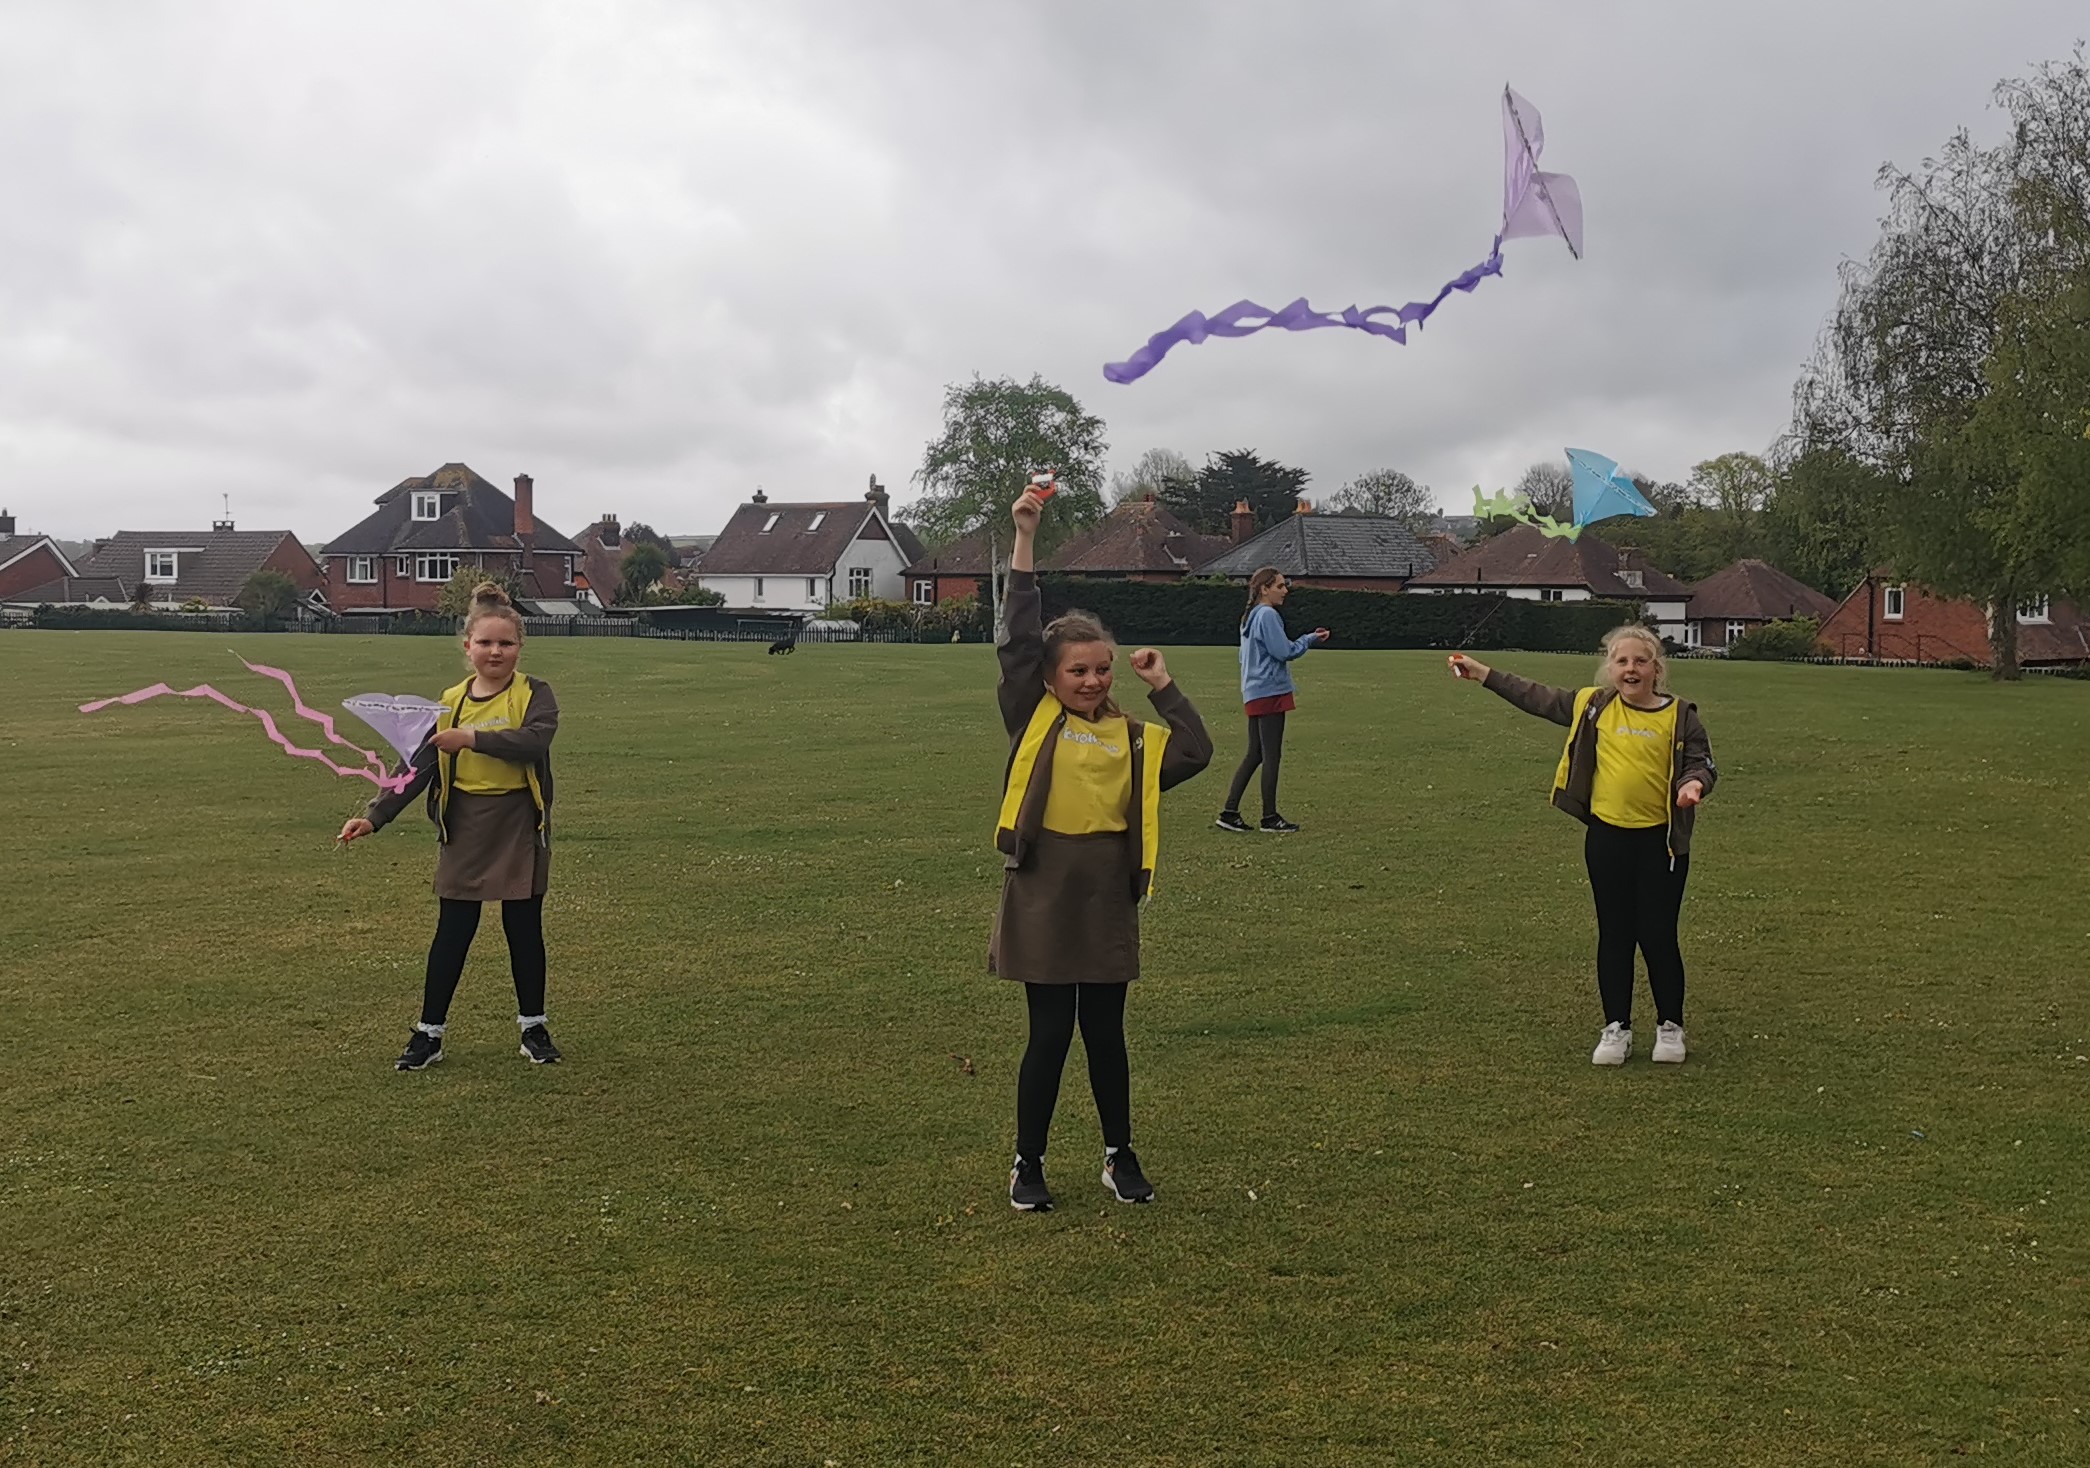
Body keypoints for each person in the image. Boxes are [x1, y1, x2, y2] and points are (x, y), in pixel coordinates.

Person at [993, 483, 1213, 1210]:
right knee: (1049, 1035)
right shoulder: (1033, 717)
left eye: (1101, 669)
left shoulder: (1131, 737)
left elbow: (1197, 751)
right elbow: (1017, 638)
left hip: (1105, 897)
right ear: (1050, 677)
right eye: (1077, 671)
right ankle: (1028, 1163)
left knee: (1106, 1035)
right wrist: (1025, 537)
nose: (1091, 681)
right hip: (1043, 893)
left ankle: (1119, 1155)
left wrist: (1163, 685)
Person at [1449, 626, 1716, 1066]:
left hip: (1661, 844)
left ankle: (1670, 1027)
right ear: (1610, 668)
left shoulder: (1680, 715)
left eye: (1640, 661)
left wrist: (1693, 785)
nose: (1631, 669)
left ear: (1656, 668)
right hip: (1607, 839)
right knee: (1615, 933)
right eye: (1622, 661)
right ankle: (1616, 1028)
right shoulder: (1593, 706)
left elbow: (1701, 763)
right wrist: (1483, 674)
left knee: (1658, 935)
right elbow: (1536, 696)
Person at [339, 583, 564, 1071]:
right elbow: (417, 766)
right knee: (453, 931)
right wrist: (374, 816)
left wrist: (471, 739)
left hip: (518, 824)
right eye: (485, 642)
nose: (495, 651)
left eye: (505, 643)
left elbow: (533, 742)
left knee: (523, 929)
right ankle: (429, 1034)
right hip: (464, 825)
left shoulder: (535, 694)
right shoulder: (449, 701)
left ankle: (534, 1028)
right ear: (468, 646)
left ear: (520, 647)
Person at [1216, 567, 1329, 834]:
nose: (1285, 590)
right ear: (1264, 589)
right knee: (1271, 755)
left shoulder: (1251, 616)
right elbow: (1283, 651)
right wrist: (1309, 639)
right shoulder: (1268, 615)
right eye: (1279, 586)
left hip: (1254, 690)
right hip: (1270, 691)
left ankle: (1229, 812)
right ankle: (1269, 817)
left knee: (1255, 753)